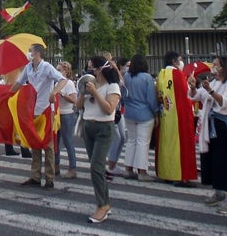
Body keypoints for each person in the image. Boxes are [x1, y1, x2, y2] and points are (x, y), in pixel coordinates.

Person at [7, 43, 67, 190]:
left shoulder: (47, 67)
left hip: (46, 110)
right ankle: (35, 176)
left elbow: (62, 80)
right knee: (34, 142)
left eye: (30, 51)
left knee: (47, 145)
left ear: (37, 53)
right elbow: (19, 83)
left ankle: (49, 178)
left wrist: (54, 92)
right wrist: (7, 95)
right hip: (32, 109)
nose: (28, 53)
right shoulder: (28, 68)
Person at [190, 56, 227, 214]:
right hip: (210, 124)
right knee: (213, 159)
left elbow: (225, 102)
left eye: (216, 65)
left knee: (225, 160)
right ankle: (218, 191)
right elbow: (196, 96)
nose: (213, 67)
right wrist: (193, 86)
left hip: (223, 124)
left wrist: (210, 91)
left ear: (223, 67)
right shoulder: (212, 82)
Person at [77, 56, 121, 224]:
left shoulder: (112, 86)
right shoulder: (90, 84)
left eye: (93, 69)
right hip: (89, 126)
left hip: (104, 128)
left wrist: (95, 92)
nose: (90, 71)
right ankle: (105, 203)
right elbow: (79, 106)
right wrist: (83, 91)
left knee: (96, 167)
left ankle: (101, 205)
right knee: (96, 168)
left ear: (101, 69)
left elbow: (109, 109)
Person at [156, 51, 197, 187]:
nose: (181, 62)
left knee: (167, 145)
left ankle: (167, 173)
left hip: (166, 115)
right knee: (182, 145)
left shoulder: (161, 74)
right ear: (174, 61)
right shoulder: (178, 75)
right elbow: (186, 97)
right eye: (180, 59)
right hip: (180, 117)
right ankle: (182, 176)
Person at [121, 54, 158, 181]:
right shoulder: (147, 78)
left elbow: (123, 95)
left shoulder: (126, 76)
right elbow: (151, 99)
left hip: (129, 112)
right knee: (143, 142)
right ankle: (142, 171)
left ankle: (128, 169)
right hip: (144, 113)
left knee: (131, 141)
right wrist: (156, 112)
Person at [55, 61, 79, 179]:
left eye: (59, 70)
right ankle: (56, 165)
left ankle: (72, 168)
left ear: (66, 71)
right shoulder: (56, 82)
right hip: (57, 113)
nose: (57, 71)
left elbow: (74, 99)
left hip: (66, 114)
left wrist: (61, 94)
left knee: (67, 141)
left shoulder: (69, 83)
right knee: (55, 141)